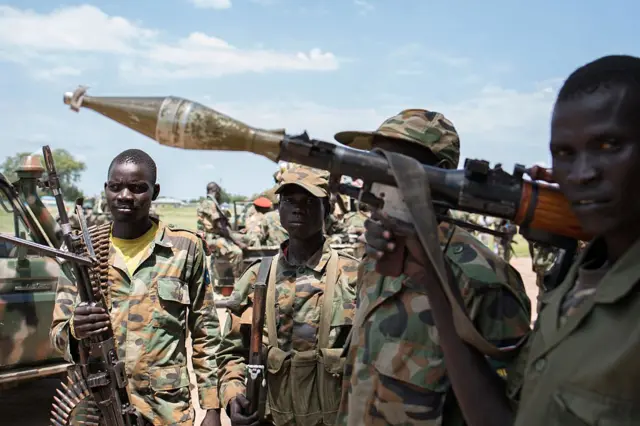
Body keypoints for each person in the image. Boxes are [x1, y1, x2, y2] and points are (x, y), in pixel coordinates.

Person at [363, 55, 640, 426]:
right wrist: (429, 275)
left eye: (608, 145)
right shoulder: (574, 285)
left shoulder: (485, 278)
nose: (583, 173)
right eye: (564, 153)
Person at [332, 109, 532, 426]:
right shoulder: (376, 256)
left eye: (388, 165)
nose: (370, 180)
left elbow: (512, 409)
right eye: (371, 162)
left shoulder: (480, 280)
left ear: (437, 177)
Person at [49, 149, 222, 426]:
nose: (125, 196)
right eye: (116, 187)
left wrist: (212, 408)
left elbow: (206, 333)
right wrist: (74, 330)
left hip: (165, 410)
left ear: (154, 192)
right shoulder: (81, 252)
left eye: (137, 188)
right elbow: (57, 336)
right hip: (98, 407)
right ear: (106, 189)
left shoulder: (185, 248)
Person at [217, 166, 359, 426]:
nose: (298, 208)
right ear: (278, 209)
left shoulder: (353, 277)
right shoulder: (257, 278)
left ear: (325, 210)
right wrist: (233, 397)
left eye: (309, 201)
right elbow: (232, 353)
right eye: (289, 200)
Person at [197, 182, 246, 280]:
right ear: (217, 192)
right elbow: (221, 227)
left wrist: (236, 235)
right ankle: (238, 281)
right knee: (237, 252)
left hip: (215, 235)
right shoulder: (209, 204)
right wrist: (238, 242)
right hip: (210, 238)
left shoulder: (210, 203)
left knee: (243, 238)